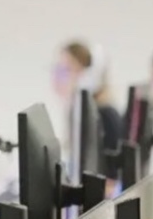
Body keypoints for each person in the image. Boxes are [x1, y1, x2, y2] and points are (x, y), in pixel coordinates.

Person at [53, 41, 124, 193]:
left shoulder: (106, 116)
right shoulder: (78, 114)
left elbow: (112, 183)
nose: (58, 76)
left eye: (66, 70)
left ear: (87, 76)